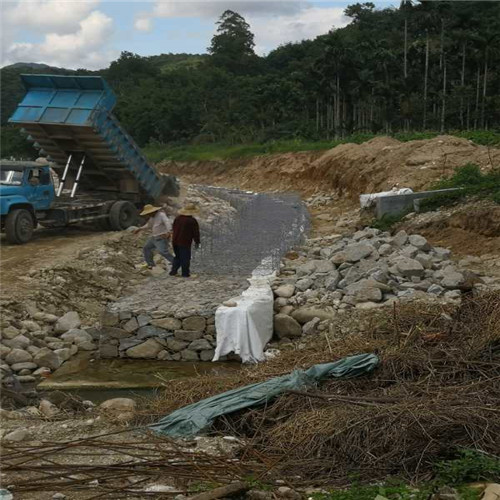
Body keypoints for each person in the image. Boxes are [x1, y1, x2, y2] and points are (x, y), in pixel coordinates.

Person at [134, 204, 174, 270]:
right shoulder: (152, 217)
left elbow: (167, 222)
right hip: (154, 237)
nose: (148, 215)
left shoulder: (161, 215)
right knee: (146, 248)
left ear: (153, 211)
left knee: (162, 251)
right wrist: (140, 228)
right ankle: (150, 264)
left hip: (161, 237)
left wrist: (169, 232)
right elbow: (148, 225)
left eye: (149, 213)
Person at [170, 203, 200, 278]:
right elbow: (195, 233)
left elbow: (173, 228)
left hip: (175, 240)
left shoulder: (177, 218)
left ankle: (173, 272)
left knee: (177, 257)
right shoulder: (192, 221)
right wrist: (197, 242)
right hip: (184, 241)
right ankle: (185, 273)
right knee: (185, 258)